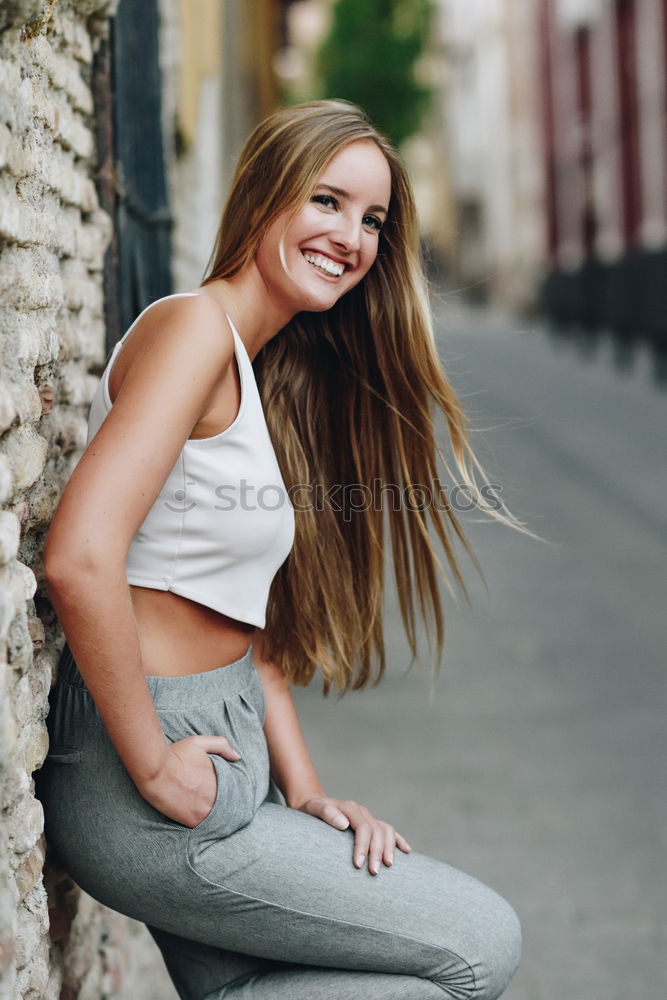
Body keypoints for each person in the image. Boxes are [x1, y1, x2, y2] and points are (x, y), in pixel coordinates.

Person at [36, 100, 525, 1000]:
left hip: (221, 752)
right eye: (327, 202)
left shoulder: (251, 368)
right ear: (264, 194)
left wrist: (305, 794)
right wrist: (148, 759)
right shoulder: (192, 331)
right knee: (477, 947)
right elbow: (79, 553)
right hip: (147, 779)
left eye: (372, 220)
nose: (351, 236)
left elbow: (244, 636)